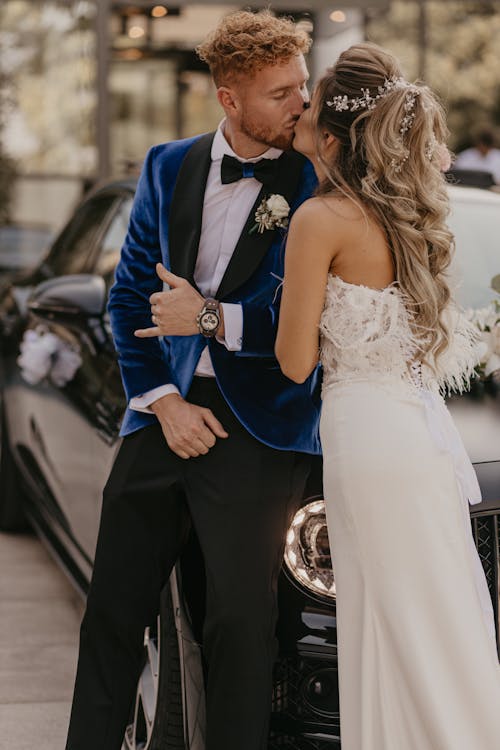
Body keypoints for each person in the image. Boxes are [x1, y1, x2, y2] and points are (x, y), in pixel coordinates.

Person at [64, 11, 321, 750]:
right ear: (229, 99)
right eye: (280, 93)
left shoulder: (312, 181)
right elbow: (125, 300)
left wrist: (210, 318)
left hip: (263, 421)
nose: (299, 104)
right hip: (165, 413)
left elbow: (309, 328)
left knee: (239, 625)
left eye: (300, 86)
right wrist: (166, 400)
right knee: (112, 609)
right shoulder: (166, 165)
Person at [276, 42, 500, 750]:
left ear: (335, 133)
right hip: (415, 437)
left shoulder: (319, 221)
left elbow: (293, 361)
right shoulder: (410, 221)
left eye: (309, 105)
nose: (300, 114)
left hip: (365, 441)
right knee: (432, 622)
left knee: (388, 623)